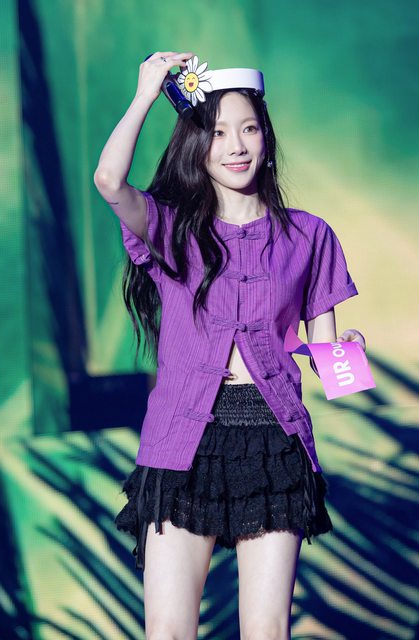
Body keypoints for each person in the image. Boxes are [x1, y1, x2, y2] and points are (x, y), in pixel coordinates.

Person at [94, 51, 366, 640]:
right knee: (169, 631)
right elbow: (109, 182)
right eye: (218, 133)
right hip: (181, 443)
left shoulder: (310, 235)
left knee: (266, 632)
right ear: (198, 146)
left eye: (248, 129)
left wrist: (349, 349)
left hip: (274, 444)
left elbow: (333, 371)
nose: (236, 146)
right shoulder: (170, 227)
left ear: (266, 137)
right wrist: (145, 93)